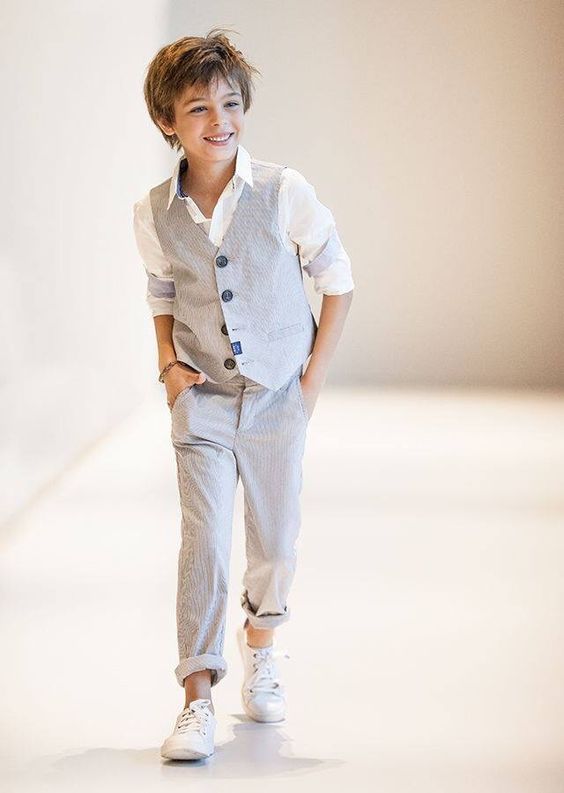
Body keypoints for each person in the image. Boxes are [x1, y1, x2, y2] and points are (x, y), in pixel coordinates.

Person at [133, 27, 354, 761]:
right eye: (198, 108)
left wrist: (310, 381)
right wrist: (168, 365)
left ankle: (262, 643)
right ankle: (196, 695)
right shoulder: (154, 211)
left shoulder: (284, 191)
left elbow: (338, 280)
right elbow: (162, 290)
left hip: (275, 398)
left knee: (276, 539)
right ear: (167, 120)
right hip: (200, 399)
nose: (219, 121)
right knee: (205, 541)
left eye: (230, 103)